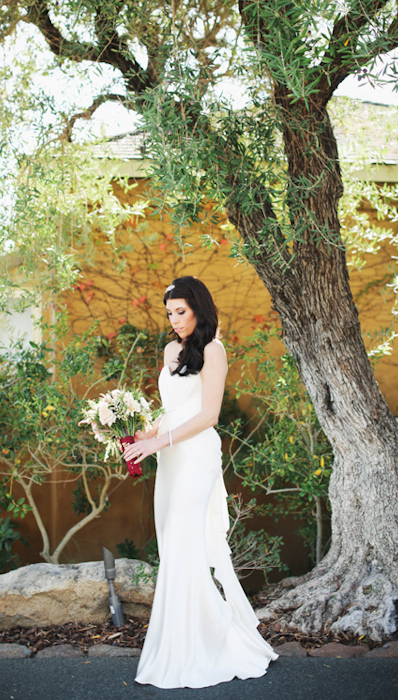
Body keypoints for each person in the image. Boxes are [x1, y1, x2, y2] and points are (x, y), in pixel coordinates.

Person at [123, 276, 278, 689]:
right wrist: (142, 435)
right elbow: (172, 407)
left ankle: (206, 646)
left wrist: (160, 441)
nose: (174, 320)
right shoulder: (171, 349)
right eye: (170, 313)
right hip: (171, 456)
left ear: (199, 308)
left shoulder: (214, 350)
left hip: (197, 456)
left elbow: (209, 415)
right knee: (172, 543)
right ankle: (179, 641)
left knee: (188, 542)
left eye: (182, 312)